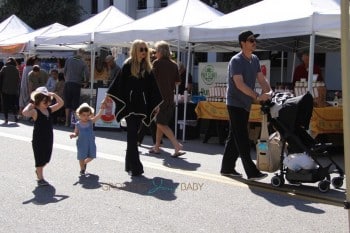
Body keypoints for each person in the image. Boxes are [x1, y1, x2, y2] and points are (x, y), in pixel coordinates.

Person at [105, 39, 162, 177]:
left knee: (133, 136)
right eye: (141, 49)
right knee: (132, 136)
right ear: (135, 50)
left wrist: (156, 106)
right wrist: (107, 99)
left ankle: (129, 165)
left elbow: (153, 89)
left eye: (145, 49)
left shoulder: (147, 67)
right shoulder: (127, 65)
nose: (144, 52)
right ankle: (136, 167)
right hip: (130, 106)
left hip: (141, 106)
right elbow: (117, 85)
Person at [220, 30, 272, 181]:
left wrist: (269, 91)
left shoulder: (254, 59)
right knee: (242, 137)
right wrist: (257, 96)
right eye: (251, 40)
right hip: (235, 103)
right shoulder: (236, 60)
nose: (254, 43)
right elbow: (239, 84)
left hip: (245, 104)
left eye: (255, 40)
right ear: (243, 43)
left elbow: (261, 79)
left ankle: (227, 168)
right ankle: (252, 172)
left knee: (234, 136)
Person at [22, 86, 64, 186]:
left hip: (49, 137)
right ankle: (40, 178)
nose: (47, 103)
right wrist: (31, 104)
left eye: (48, 101)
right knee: (39, 159)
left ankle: (38, 170)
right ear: (38, 101)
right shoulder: (35, 111)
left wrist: (54, 95)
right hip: (38, 139)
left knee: (46, 159)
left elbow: (61, 103)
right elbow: (24, 112)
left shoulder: (49, 110)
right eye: (44, 101)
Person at [150, 40, 185, 157]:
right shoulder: (174, 64)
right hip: (170, 97)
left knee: (160, 123)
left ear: (160, 52)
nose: (155, 54)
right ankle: (157, 146)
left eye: (156, 51)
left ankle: (176, 145)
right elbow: (178, 82)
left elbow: (151, 81)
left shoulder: (157, 63)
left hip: (159, 98)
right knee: (161, 121)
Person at [70, 102, 105, 176]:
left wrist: (102, 109)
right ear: (79, 115)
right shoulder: (78, 124)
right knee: (81, 157)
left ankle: (84, 163)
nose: (86, 117)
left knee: (92, 156)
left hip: (91, 143)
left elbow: (98, 116)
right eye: (84, 115)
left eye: (88, 115)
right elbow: (76, 133)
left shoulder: (90, 122)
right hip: (81, 143)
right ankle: (82, 169)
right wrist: (73, 135)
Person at [63, 48, 90, 127]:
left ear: (77, 53)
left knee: (67, 103)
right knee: (75, 104)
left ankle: (66, 122)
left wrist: (67, 79)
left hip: (68, 83)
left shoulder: (69, 60)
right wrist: (86, 82)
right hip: (76, 84)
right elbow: (87, 74)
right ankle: (74, 122)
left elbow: (64, 71)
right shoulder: (83, 63)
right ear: (83, 54)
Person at [19, 55, 40, 120]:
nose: (38, 63)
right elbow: (32, 80)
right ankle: (27, 116)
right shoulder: (32, 68)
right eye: (37, 61)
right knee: (30, 101)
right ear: (34, 61)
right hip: (29, 86)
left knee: (22, 100)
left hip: (23, 86)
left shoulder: (26, 67)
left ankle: (20, 115)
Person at [0, 57, 21, 124]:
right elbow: (18, 80)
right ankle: (15, 117)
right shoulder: (16, 69)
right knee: (13, 104)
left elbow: (0, 77)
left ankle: (6, 119)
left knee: (5, 104)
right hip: (14, 90)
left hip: (4, 89)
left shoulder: (4, 68)